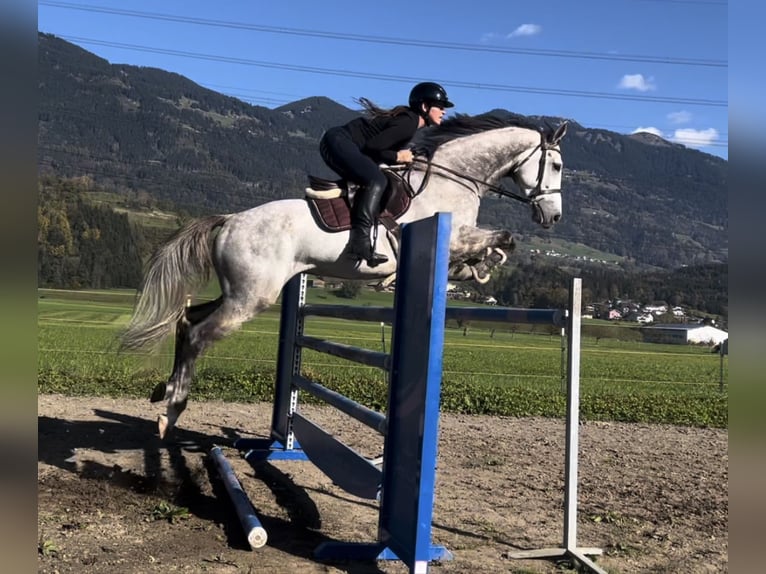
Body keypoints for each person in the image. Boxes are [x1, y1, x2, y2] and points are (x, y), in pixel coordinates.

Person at [319, 81, 455, 266]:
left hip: (339, 142)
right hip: (339, 142)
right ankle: (360, 242)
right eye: (440, 107)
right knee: (376, 180)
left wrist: (399, 157)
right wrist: (398, 156)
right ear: (424, 106)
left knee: (378, 177)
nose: (444, 111)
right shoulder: (409, 123)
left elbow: (377, 150)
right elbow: (373, 147)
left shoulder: (410, 122)